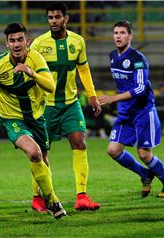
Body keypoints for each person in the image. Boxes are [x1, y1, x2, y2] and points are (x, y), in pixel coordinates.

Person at [0, 23, 66, 219]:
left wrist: (31, 72)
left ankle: (44, 198)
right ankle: (54, 202)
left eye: (20, 39)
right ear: (6, 43)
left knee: (43, 160)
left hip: (37, 117)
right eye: (12, 40)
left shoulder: (36, 58)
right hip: (12, 119)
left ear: (27, 41)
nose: (16, 44)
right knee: (34, 152)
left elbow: (51, 86)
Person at [30, 1, 102, 212]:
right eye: (50, 17)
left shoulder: (77, 41)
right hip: (46, 106)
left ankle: (82, 196)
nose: (54, 21)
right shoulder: (38, 44)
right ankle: (38, 197)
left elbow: (84, 69)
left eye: (57, 17)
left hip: (70, 104)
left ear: (66, 19)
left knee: (80, 143)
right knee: (41, 153)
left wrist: (92, 95)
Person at [99, 20, 164, 198]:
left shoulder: (138, 59)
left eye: (122, 33)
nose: (118, 36)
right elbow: (123, 84)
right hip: (125, 112)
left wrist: (113, 98)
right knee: (113, 150)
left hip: (143, 112)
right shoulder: (112, 56)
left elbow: (141, 88)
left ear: (130, 36)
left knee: (144, 154)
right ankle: (145, 174)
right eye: (116, 33)